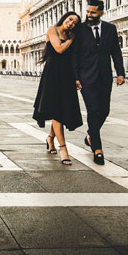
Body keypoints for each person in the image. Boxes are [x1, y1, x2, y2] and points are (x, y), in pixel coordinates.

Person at [72, 0, 125, 166]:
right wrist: (75, 77)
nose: (88, 15)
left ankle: (90, 135)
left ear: (101, 12)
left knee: (105, 110)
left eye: (92, 12)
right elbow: (74, 55)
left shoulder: (110, 29)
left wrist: (120, 73)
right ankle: (97, 149)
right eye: (87, 12)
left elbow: (116, 52)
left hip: (104, 76)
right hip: (86, 77)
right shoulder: (80, 29)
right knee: (93, 110)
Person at [33, 11, 82, 166]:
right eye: (70, 19)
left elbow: (74, 57)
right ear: (64, 18)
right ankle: (63, 149)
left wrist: (76, 78)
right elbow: (59, 49)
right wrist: (72, 39)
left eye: (75, 23)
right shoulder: (52, 30)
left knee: (61, 110)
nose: (71, 23)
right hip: (53, 74)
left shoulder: (71, 35)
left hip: (67, 75)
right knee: (56, 110)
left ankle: (50, 138)